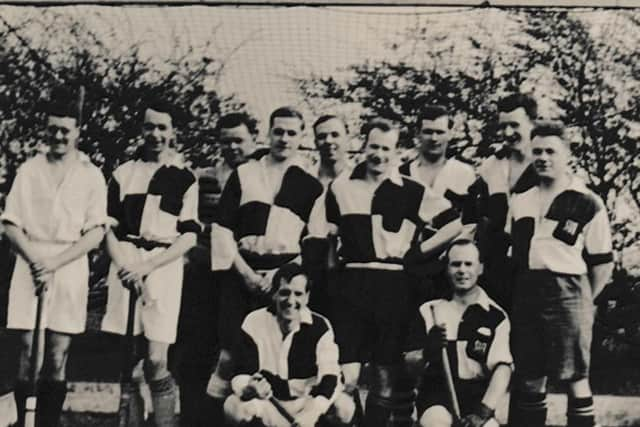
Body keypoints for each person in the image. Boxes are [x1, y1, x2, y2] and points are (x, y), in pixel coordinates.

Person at [316, 118, 463, 427]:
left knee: (385, 373)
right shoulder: (342, 186)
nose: (379, 155)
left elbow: (454, 223)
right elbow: (328, 236)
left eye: (386, 148)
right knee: (348, 375)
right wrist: (333, 275)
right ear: (363, 145)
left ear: (396, 151)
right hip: (352, 283)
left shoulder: (411, 190)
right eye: (373, 147)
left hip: (394, 286)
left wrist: (421, 251)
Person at [206, 107, 325, 424]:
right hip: (241, 272)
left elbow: (313, 242)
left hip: (282, 279)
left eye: (291, 133)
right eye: (278, 131)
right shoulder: (245, 173)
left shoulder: (311, 185)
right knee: (229, 354)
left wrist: (280, 277)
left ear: (301, 138)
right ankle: (213, 419)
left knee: (271, 353)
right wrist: (244, 272)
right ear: (268, 134)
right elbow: (222, 229)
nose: (284, 139)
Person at [2, 86, 108, 426]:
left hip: (68, 266)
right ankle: (23, 422)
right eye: (52, 129)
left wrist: (54, 264)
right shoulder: (28, 170)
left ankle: (47, 422)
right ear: (45, 130)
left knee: (57, 353)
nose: (58, 136)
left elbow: (95, 233)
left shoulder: (91, 175)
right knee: (28, 350)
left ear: (77, 131)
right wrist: (35, 261)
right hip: (30, 262)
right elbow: (10, 225)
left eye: (65, 130)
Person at [101, 100, 200, 426]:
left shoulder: (184, 177)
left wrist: (147, 268)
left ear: (173, 132)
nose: (155, 134)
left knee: (156, 361)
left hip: (163, 268)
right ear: (141, 129)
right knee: (127, 363)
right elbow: (107, 229)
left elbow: (188, 236)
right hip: (125, 265)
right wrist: (124, 266)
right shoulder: (123, 173)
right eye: (149, 126)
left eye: (162, 127)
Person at [508, 122, 614, 427]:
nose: (543, 157)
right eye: (537, 151)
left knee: (575, 377)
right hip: (528, 291)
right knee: (529, 376)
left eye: (551, 151)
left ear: (567, 154)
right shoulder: (521, 199)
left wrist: (583, 300)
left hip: (569, 291)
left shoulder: (587, 201)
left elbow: (602, 262)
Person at [175, 112, 258, 426]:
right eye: (226, 142)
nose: (233, 147)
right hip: (204, 275)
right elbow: (189, 226)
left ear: (253, 139)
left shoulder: (261, 177)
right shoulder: (204, 178)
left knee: (237, 349)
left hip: (244, 275)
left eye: (239, 140)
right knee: (196, 350)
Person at [224, 262, 355, 427]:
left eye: (298, 294)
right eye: (284, 293)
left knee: (344, 408)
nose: (291, 301)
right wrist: (250, 388)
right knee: (234, 406)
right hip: (269, 404)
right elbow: (241, 372)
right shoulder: (254, 321)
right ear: (274, 295)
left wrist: (311, 414)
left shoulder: (321, 326)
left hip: (305, 404)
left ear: (307, 297)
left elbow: (331, 377)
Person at [411, 239, 512, 427]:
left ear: (480, 268)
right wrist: (428, 351)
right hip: (437, 395)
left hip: (477, 399)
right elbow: (409, 364)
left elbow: (503, 369)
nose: (462, 270)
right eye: (455, 264)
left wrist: (482, 413)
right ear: (446, 268)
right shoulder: (429, 311)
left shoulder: (496, 316)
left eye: (469, 264)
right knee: (435, 421)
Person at [463, 93, 540, 312]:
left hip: (532, 269)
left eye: (514, 125)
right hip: (494, 269)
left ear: (532, 123)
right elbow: (471, 218)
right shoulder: (491, 165)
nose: (507, 133)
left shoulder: (545, 166)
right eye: (503, 126)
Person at [399, 105, 475, 212]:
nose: (434, 138)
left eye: (440, 132)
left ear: (450, 134)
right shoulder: (402, 174)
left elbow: (471, 221)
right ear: (417, 133)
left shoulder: (464, 173)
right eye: (428, 132)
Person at [313, 115, 353, 188]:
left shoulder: (359, 179)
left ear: (347, 140)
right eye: (322, 136)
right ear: (315, 143)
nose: (328, 141)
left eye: (335, 135)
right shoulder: (305, 180)